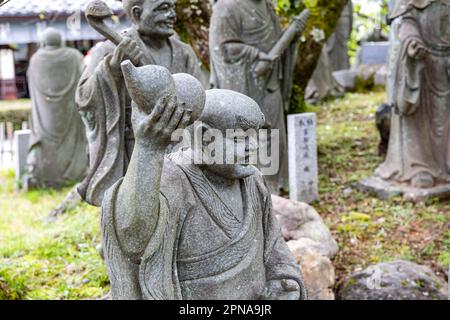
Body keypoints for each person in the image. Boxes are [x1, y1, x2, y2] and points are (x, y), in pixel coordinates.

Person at [102, 88, 307, 300]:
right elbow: (134, 240)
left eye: (255, 136)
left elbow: (274, 247)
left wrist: (283, 282)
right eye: (239, 139)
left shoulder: (252, 181)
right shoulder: (173, 181)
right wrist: (147, 149)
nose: (253, 147)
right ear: (204, 137)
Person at [76, 0, 204, 206]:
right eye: (163, 8)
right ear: (137, 13)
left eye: (173, 8)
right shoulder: (112, 47)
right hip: (134, 146)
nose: (172, 15)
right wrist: (113, 68)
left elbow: (201, 95)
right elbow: (84, 98)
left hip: (181, 144)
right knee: (137, 206)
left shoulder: (184, 52)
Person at [209, 0, 307, 194]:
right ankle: (248, 189)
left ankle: (274, 186)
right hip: (243, 84)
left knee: (273, 135)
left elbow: (278, 44)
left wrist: (292, 36)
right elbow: (221, 49)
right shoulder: (227, 7)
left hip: (269, 83)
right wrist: (254, 54)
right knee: (246, 137)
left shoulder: (267, 6)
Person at [375, 0, 450, 188]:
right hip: (421, 64)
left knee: (445, 118)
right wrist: (412, 43)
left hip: (446, 65)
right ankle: (418, 167)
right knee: (417, 117)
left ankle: (446, 163)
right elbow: (406, 22)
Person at [26, 27, 87, 188]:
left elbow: (30, 84)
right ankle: (75, 172)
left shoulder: (36, 60)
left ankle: (45, 175)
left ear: (43, 42)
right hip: (69, 110)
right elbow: (86, 79)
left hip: (44, 112)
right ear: (61, 40)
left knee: (44, 140)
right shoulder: (75, 57)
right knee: (74, 141)